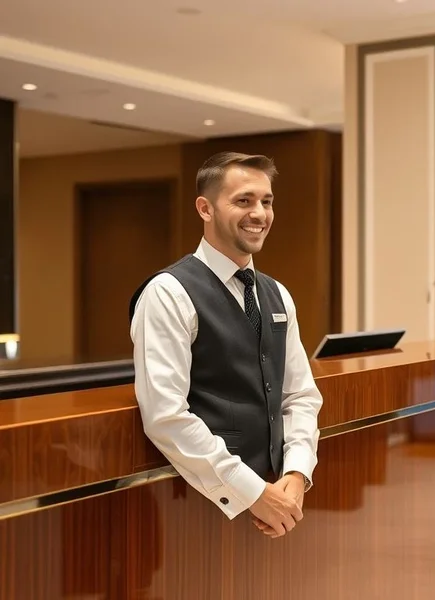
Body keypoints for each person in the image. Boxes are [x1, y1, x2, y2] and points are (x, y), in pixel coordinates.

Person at [129, 151, 322, 538]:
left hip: (276, 498)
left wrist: (298, 472)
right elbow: (166, 415)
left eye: (266, 202)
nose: (260, 214)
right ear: (205, 208)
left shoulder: (277, 294)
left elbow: (299, 395)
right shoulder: (167, 293)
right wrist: (251, 491)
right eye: (243, 201)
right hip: (200, 506)